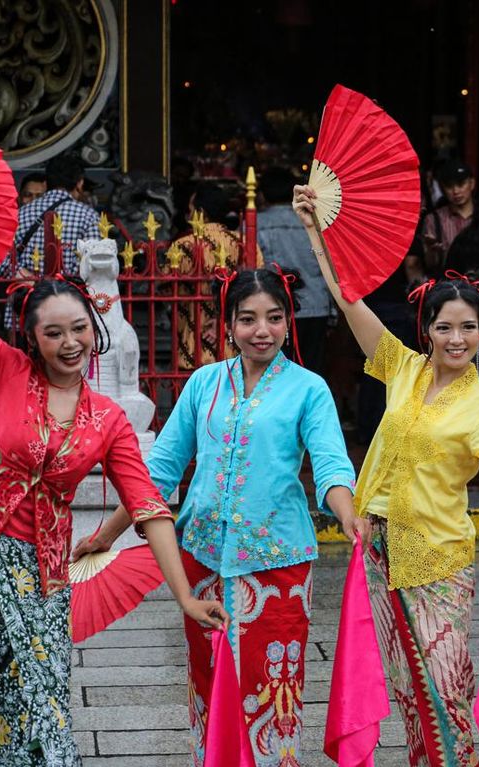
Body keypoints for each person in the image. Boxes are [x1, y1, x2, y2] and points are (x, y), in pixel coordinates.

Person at [294, 183, 479, 765]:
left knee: (445, 684)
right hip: (378, 547)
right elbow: (348, 299)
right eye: (444, 328)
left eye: (467, 328)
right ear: (426, 331)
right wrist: (316, 232)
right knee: (409, 690)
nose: (456, 339)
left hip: (438, 555)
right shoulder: (402, 369)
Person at [0, 277, 227, 767]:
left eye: (80, 329)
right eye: (54, 333)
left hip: (38, 568)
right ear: (32, 338)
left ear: (94, 327)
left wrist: (185, 597)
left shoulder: (107, 418)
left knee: (45, 696)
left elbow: (149, 506)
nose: (70, 344)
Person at [73, 267, 360, 766]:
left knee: (272, 688)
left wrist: (348, 514)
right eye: (248, 319)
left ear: (289, 322)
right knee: (208, 683)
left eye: (273, 317)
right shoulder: (204, 383)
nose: (261, 330)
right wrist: (108, 535)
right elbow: (158, 472)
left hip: (279, 567)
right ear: (229, 326)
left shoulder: (309, 389)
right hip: (201, 563)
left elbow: (331, 462)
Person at [257, 166, 333, 375]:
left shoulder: (256, 223)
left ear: (262, 194)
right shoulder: (313, 221)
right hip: (316, 304)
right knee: (311, 370)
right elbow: (329, 264)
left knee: (273, 373)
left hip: (275, 308)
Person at [166, 182, 242, 369]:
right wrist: (222, 319)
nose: (188, 214)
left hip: (192, 342)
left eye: (191, 209)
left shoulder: (184, 245)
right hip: (234, 342)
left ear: (200, 212)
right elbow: (253, 290)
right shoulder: (243, 243)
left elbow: (165, 287)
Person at [13, 156, 101, 276]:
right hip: (72, 292)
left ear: (45, 184)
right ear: (80, 183)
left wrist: (29, 280)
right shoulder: (89, 217)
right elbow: (94, 266)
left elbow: (3, 262)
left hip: (28, 292)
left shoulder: (21, 214)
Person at [423, 158, 476, 271]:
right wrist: (431, 251)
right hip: (448, 283)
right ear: (442, 189)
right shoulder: (434, 219)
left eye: (461, 184)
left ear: (472, 184)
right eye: (449, 186)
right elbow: (430, 265)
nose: (456, 191)